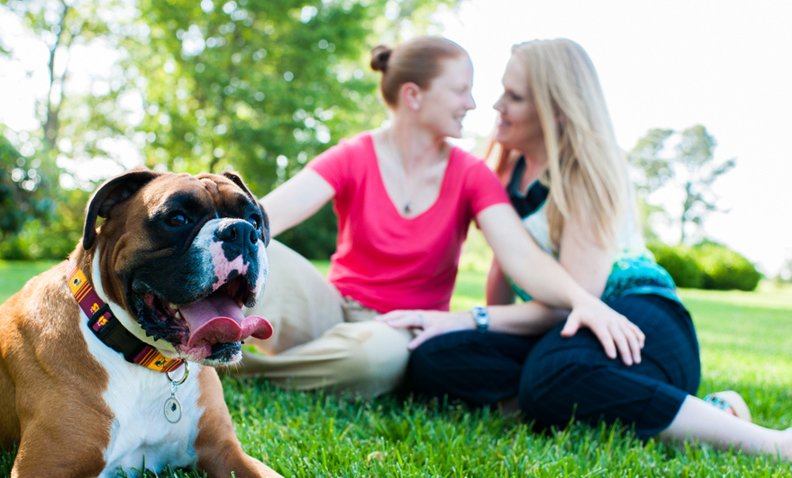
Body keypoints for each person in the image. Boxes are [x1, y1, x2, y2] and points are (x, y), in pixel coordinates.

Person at [382, 38, 792, 459]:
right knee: (435, 359)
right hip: (561, 333)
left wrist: (472, 319)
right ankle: (602, 400)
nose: (496, 105)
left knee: (552, 376)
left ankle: (769, 443)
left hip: (637, 321)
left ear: (554, 110)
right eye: (503, 90)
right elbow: (504, 267)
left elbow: (573, 302)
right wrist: (475, 330)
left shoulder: (586, 171)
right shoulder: (505, 170)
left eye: (514, 97)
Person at [235, 36, 643, 399]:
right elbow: (267, 217)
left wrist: (581, 300)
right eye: (461, 91)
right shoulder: (354, 155)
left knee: (372, 357)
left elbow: (522, 256)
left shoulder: (472, 174)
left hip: (400, 331)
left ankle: (244, 372)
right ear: (414, 96)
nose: (472, 103)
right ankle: (306, 356)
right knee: (262, 252)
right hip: (330, 308)